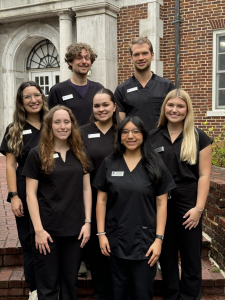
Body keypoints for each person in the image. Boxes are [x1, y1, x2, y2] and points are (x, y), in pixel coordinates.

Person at [93, 116, 176, 300]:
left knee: (142, 293)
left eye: (136, 131)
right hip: (115, 240)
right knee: (118, 292)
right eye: (125, 132)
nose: (130, 136)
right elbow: (101, 201)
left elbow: (162, 204)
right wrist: (101, 234)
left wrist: (159, 240)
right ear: (120, 136)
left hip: (145, 242)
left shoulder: (155, 164)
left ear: (144, 136)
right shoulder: (109, 163)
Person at [22, 105, 93, 300]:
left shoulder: (81, 154)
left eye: (67, 122)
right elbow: (30, 195)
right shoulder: (37, 154)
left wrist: (87, 223)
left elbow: (87, 189)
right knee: (47, 285)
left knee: (70, 283)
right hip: (47, 230)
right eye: (57, 122)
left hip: (75, 229)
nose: (63, 126)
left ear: (72, 125)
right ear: (49, 126)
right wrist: (38, 230)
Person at [149, 89, 212, 299]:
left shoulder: (199, 137)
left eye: (180, 106)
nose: (174, 110)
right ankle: (171, 296)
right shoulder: (152, 137)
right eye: (171, 105)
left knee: (191, 258)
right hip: (161, 205)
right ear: (164, 107)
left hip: (188, 204)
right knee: (166, 257)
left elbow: (204, 175)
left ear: (187, 110)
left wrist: (199, 209)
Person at [0, 81, 49, 300]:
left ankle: (53, 285)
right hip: (24, 189)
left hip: (53, 190)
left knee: (53, 237)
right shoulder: (15, 129)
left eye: (37, 95)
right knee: (30, 240)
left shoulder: (53, 124)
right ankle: (35, 289)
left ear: (43, 97)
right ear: (21, 102)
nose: (33, 100)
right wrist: (13, 196)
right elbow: (10, 165)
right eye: (27, 97)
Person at [80, 88, 120, 300]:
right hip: (92, 200)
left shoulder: (124, 131)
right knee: (97, 255)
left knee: (118, 254)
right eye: (97, 106)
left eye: (106, 105)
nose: (101, 109)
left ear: (114, 106)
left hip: (121, 202)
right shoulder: (82, 132)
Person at [114, 36, 175, 132]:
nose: (141, 58)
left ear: (152, 55)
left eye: (145, 53)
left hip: (161, 142)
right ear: (131, 58)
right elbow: (120, 125)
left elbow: (175, 119)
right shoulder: (121, 90)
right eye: (136, 54)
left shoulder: (167, 86)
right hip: (134, 143)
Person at [48, 42, 104, 126]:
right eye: (79, 58)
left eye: (87, 58)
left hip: (94, 138)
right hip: (69, 138)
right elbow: (51, 121)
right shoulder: (57, 90)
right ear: (70, 62)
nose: (84, 61)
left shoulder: (98, 89)